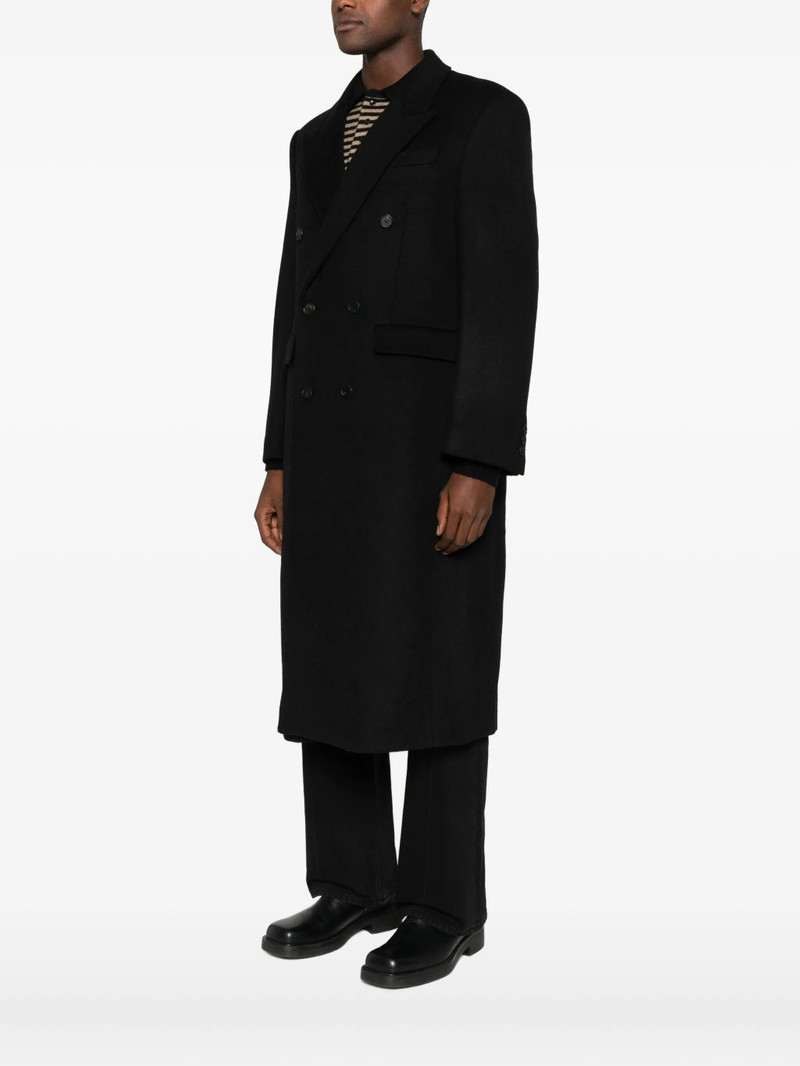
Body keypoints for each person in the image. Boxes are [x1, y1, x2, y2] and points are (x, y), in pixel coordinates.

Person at [254, 0, 538, 989]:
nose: (345, 1)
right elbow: (294, 301)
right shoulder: (313, 141)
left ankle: (444, 905)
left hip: (425, 445)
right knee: (329, 658)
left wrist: (479, 459)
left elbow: (504, 292)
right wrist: (278, 455)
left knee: (439, 664)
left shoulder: (480, 116)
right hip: (328, 444)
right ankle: (351, 882)